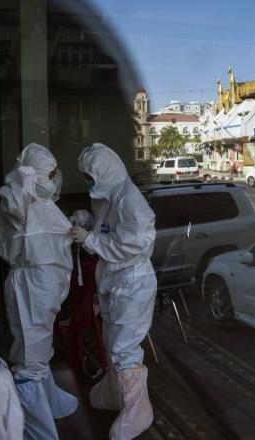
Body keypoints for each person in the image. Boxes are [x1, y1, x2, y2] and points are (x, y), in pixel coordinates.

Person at [71, 143, 157, 440]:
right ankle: (114, 392)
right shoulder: (107, 194)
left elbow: (134, 244)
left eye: (90, 176)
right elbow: (104, 226)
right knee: (111, 341)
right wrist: (84, 222)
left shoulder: (132, 202)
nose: (88, 182)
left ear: (104, 173)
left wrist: (90, 241)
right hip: (113, 278)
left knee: (124, 348)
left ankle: (138, 411)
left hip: (132, 282)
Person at [0, 143, 77, 440]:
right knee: (30, 355)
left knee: (40, 348)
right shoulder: (18, 200)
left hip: (43, 288)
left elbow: (51, 230)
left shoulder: (41, 202)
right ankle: (37, 430)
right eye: (48, 174)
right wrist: (24, 176)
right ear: (32, 175)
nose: (53, 180)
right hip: (31, 288)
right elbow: (15, 203)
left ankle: (48, 404)